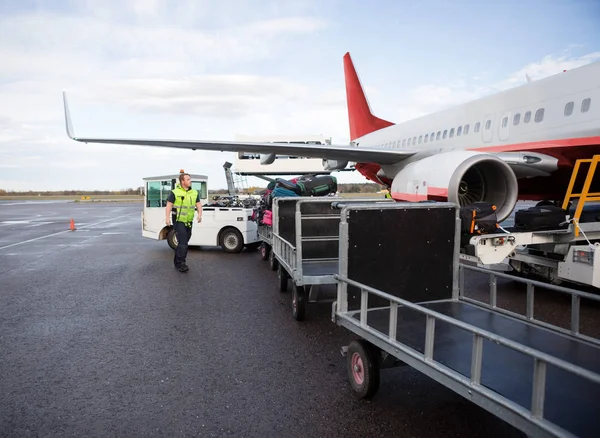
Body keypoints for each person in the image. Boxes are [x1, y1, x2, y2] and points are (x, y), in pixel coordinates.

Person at [165, 173, 202, 272]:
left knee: (184, 242)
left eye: (190, 179)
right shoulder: (175, 192)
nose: (190, 181)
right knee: (183, 243)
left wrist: (199, 215)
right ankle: (181, 263)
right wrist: (167, 218)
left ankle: (177, 261)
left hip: (189, 221)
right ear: (182, 181)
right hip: (178, 221)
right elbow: (169, 205)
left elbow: (198, 204)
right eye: (188, 179)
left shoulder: (194, 192)